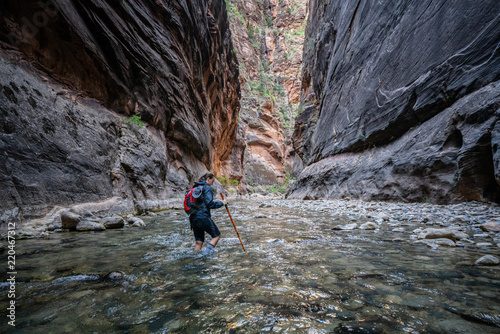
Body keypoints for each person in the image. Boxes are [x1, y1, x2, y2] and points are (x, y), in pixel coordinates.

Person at [189, 172, 227, 256]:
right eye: (212, 181)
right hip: (203, 216)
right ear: (208, 179)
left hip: (193, 217)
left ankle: (196, 258)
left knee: (199, 242)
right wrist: (222, 203)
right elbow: (210, 204)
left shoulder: (196, 187)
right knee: (216, 236)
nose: (212, 183)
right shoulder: (206, 187)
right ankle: (205, 256)